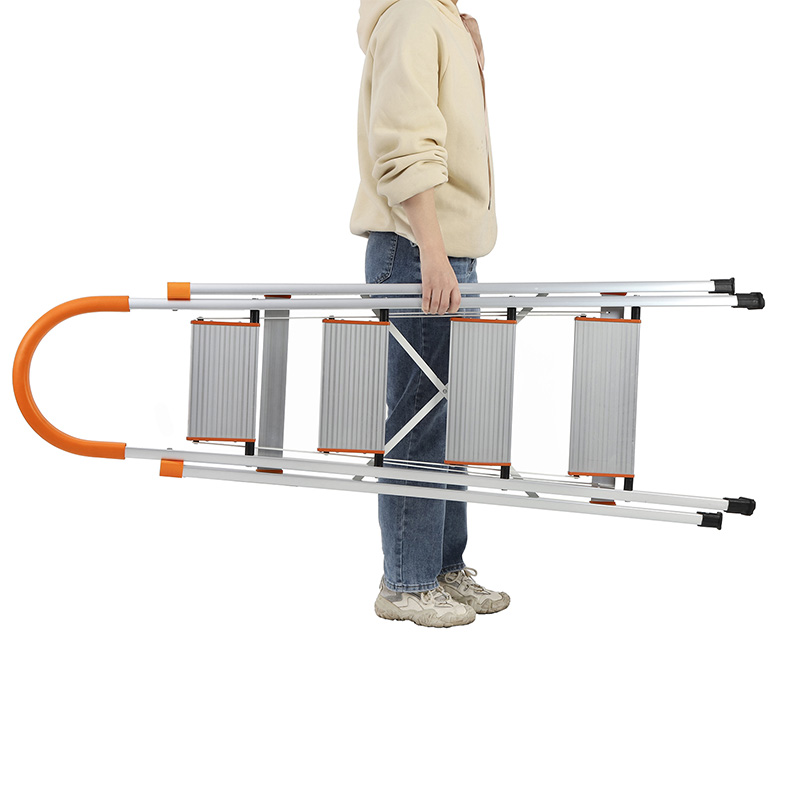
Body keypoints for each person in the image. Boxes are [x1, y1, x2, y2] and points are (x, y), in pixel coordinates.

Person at [351, 0, 510, 627]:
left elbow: (462, 141)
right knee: (418, 420)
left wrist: (475, 59)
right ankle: (406, 582)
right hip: (418, 248)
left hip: (448, 249)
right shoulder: (413, 16)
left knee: (450, 421)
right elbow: (405, 142)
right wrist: (434, 254)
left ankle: (441, 567)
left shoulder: (443, 20)